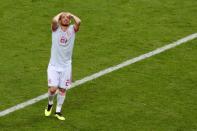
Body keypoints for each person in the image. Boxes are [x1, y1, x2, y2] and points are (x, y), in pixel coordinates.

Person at [45, 12, 81, 120]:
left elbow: (79, 21)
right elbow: (54, 20)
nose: (65, 19)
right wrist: (60, 13)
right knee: (52, 89)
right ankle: (50, 104)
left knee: (62, 89)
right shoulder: (55, 29)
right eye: (63, 18)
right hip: (54, 66)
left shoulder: (72, 30)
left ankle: (58, 111)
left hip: (66, 66)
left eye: (67, 18)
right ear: (60, 20)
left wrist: (71, 15)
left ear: (69, 20)